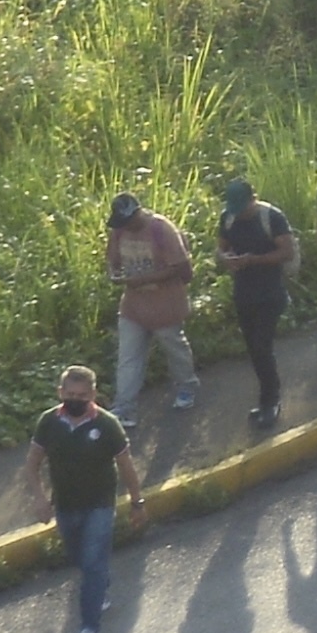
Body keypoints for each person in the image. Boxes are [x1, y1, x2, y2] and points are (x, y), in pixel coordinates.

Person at [33, 364, 142, 633]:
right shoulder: (48, 423)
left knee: (93, 562)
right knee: (79, 556)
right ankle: (99, 585)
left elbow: (127, 467)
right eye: (70, 394)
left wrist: (136, 502)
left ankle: (89, 627)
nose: (75, 400)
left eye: (82, 395)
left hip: (100, 504)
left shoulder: (106, 425)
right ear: (60, 392)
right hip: (66, 505)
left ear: (93, 394)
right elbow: (32, 465)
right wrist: (40, 498)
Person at [106, 185, 205, 447]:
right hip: (133, 307)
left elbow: (181, 268)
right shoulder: (119, 232)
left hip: (165, 305)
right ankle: (125, 407)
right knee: (128, 357)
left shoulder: (161, 229)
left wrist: (141, 279)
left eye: (128, 222)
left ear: (138, 213)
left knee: (174, 347)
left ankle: (187, 386)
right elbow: (111, 260)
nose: (125, 227)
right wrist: (115, 274)